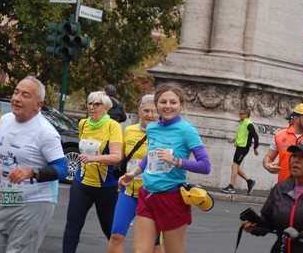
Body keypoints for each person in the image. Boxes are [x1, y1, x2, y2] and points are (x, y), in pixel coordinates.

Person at [0, 76, 68, 253]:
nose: (17, 98)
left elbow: (63, 169)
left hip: (36, 201)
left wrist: (31, 172)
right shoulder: (5, 120)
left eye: (25, 95)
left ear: (38, 104)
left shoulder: (46, 132)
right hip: (9, 197)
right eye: (16, 92)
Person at [119, 83, 211, 253]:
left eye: (173, 102)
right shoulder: (152, 128)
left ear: (180, 105)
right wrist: (133, 173)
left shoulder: (187, 130)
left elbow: (205, 166)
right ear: (157, 104)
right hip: (148, 195)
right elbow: (150, 156)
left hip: (172, 199)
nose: (168, 106)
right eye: (163, 102)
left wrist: (176, 160)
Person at [242, 138, 303, 253]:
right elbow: (267, 223)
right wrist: (253, 227)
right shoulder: (280, 189)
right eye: (294, 156)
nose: (296, 160)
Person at [63, 91, 123, 253]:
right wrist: (88, 160)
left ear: (106, 108)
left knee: (110, 230)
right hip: (82, 183)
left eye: (96, 104)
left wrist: (94, 159)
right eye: (89, 103)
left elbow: (117, 156)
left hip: (106, 186)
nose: (91, 107)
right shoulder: (83, 124)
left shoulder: (113, 126)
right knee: (72, 226)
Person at [107, 94, 163, 253]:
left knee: (154, 242)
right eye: (146, 110)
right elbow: (121, 157)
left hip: (153, 195)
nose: (150, 115)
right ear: (139, 111)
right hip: (130, 192)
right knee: (116, 235)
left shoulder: (164, 134)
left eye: (154, 111)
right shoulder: (129, 131)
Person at [263, 103, 303, 183]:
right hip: (284, 187)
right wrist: (267, 165)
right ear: (296, 119)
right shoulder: (279, 135)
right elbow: (269, 157)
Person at [221, 108, 260, 195]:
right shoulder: (242, 123)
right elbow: (242, 136)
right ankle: (250, 181)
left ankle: (231, 186)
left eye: (241, 113)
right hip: (239, 147)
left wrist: (255, 148)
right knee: (235, 166)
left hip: (244, 148)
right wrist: (234, 140)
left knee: (235, 165)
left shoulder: (249, 124)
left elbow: (255, 136)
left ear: (246, 115)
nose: (239, 115)